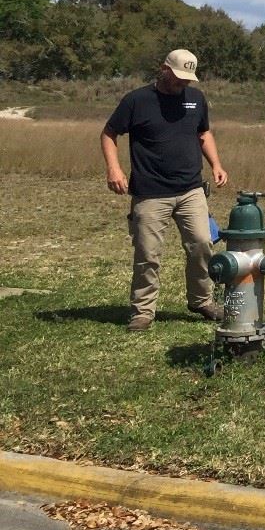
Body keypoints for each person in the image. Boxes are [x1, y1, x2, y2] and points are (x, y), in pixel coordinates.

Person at [101, 48, 229, 332]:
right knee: (148, 253)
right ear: (164, 69)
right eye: (179, 77)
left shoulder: (196, 99)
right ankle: (143, 312)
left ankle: (201, 300)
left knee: (202, 244)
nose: (184, 84)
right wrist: (114, 169)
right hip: (150, 192)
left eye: (188, 79)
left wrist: (216, 164)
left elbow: (203, 133)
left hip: (191, 190)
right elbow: (109, 133)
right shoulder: (137, 100)